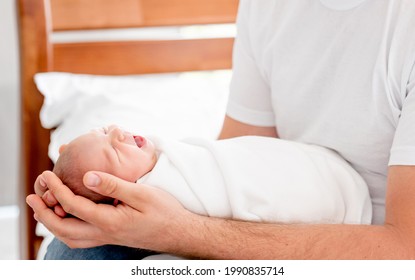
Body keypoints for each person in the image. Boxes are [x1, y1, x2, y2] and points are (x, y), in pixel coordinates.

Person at [27, 0, 415, 259]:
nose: (118, 135)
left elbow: (406, 250)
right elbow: (236, 157)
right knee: (77, 242)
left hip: (363, 241)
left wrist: (178, 231)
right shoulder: (269, 8)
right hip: (283, 217)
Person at [52, 125, 371, 225]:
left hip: (332, 182)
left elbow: (240, 160)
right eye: (113, 151)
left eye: (107, 130)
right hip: (341, 199)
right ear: (118, 195)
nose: (119, 133)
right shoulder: (160, 191)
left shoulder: (175, 157)